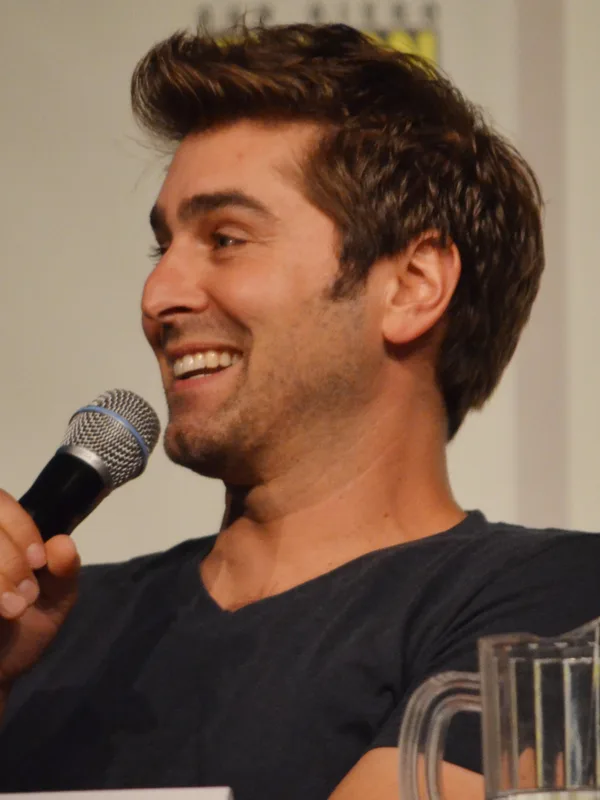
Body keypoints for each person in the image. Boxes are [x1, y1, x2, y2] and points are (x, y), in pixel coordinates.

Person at [0, 20, 598, 800]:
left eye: (226, 238)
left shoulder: (554, 605)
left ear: (412, 285)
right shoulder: (41, 627)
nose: (158, 295)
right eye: (162, 248)